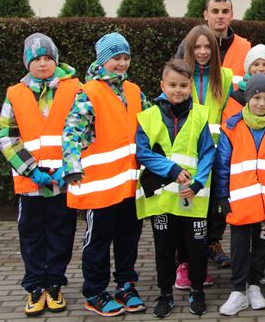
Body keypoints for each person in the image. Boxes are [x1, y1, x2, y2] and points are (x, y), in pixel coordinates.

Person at [62, 32, 151, 316]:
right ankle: (95, 291)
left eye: (125, 57)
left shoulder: (134, 91)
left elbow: (153, 122)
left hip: (129, 185)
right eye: (116, 58)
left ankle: (126, 285)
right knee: (98, 241)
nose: (122, 63)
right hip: (99, 186)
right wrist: (71, 166)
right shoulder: (88, 92)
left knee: (128, 238)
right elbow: (72, 132)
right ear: (102, 61)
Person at [0, 33, 79, 317]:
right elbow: (7, 137)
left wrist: (68, 166)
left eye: (47, 58)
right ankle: (35, 287)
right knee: (31, 235)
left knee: (61, 233)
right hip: (31, 183)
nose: (43, 64)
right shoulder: (15, 93)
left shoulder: (74, 89)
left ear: (55, 60)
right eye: (36, 59)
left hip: (62, 182)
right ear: (27, 63)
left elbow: (84, 130)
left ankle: (54, 284)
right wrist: (31, 169)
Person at [135, 59, 215, 317]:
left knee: (197, 248)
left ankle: (197, 291)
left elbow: (208, 152)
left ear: (190, 86)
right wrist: (170, 169)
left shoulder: (200, 115)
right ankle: (165, 294)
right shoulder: (148, 117)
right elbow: (142, 153)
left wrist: (199, 181)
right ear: (162, 85)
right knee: (164, 250)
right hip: (162, 199)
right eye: (172, 85)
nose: (178, 90)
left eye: (183, 85)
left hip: (193, 196)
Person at [214, 74, 265, 316]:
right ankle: (238, 290)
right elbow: (222, 165)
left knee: (262, 247)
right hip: (241, 201)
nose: (261, 103)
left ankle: (254, 286)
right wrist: (221, 197)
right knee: (238, 247)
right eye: (257, 98)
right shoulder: (231, 127)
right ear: (248, 98)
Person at [180, 25, 233, 274]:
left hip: (218, 151)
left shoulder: (226, 76)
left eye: (207, 47)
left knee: (216, 202)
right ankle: (186, 252)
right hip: (189, 151)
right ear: (189, 50)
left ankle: (213, 243)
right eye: (197, 47)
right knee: (190, 200)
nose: (202, 52)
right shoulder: (181, 76)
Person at [176, 0, 251, 86]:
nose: (220, 16)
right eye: (215, 11)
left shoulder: (245, 47)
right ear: (206, 15)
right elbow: (176, 77)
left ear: (231, 15)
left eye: (225, 11)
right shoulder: (189, 43)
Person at [222, 45, 265, 121]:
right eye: (256, 64)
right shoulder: (236, 97)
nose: (261, 68)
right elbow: (229, 124)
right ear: (249, 68)